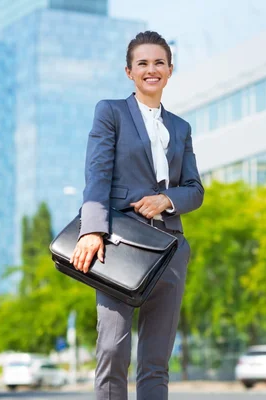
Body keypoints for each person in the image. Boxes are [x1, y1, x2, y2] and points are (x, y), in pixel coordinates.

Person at [71, 31, 204, 400]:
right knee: (112, 351)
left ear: (170, 70)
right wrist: (92, 230)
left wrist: (165, 199)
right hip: (119, 244)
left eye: (159, 62)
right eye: (142, 63)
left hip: (170, 249)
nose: (151, 69)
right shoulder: (110, 112)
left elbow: (195, 190)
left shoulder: (180, 127)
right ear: (129, 71)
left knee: (156, 361)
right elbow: (97, 174)